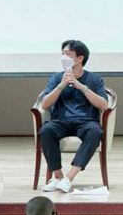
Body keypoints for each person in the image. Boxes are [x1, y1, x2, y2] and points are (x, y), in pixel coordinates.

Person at [39, 40, 109, 194]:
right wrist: (62, 85)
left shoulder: (94, 79)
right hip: (60, 121)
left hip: (86, 122)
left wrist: (81, 86)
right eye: (62, 54)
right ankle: (58, 177)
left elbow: (104, 105)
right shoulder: (57, 78)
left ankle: (69, 178)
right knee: (46, 130)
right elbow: (44, 104)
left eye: (68, 54)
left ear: (80, 58)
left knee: (95, 131)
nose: (64, 57)